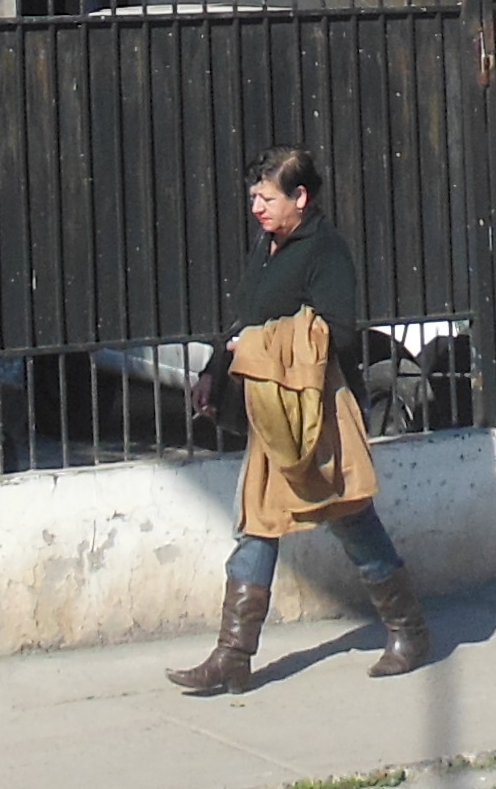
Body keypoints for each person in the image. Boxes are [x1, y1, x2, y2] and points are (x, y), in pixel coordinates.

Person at [170, 146, 435, 693]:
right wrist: (216, 367)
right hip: (274, 411)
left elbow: (336, 333)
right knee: (258, 526)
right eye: (253, 198)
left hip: (317, 410)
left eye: (266, 198)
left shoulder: (326, 251)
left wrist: (262, 344)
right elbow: (249, 315)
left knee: (351, 516)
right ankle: (233, 656)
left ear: (300, 198)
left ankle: (408, 632)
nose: (257, 208)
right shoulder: (269, 244)